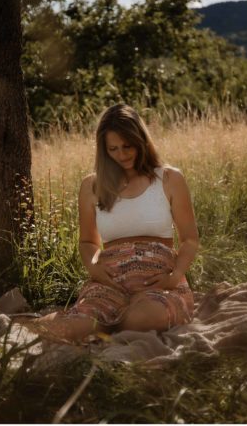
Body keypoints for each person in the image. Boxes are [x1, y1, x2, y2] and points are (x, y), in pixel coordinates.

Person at [29, 104, 198, 343]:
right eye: (113, 149)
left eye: (127, 146)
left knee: (143, 319)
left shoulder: (169, 178)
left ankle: (106, 329)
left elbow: (190, 239)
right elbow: (88, 242)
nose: (122, 154)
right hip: (110, 286)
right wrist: (94, 267)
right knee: (67, 329)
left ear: (141, 140)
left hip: (160, 286)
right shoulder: (92, 186)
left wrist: (175, 275)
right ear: (104, 150)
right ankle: (91, 323)